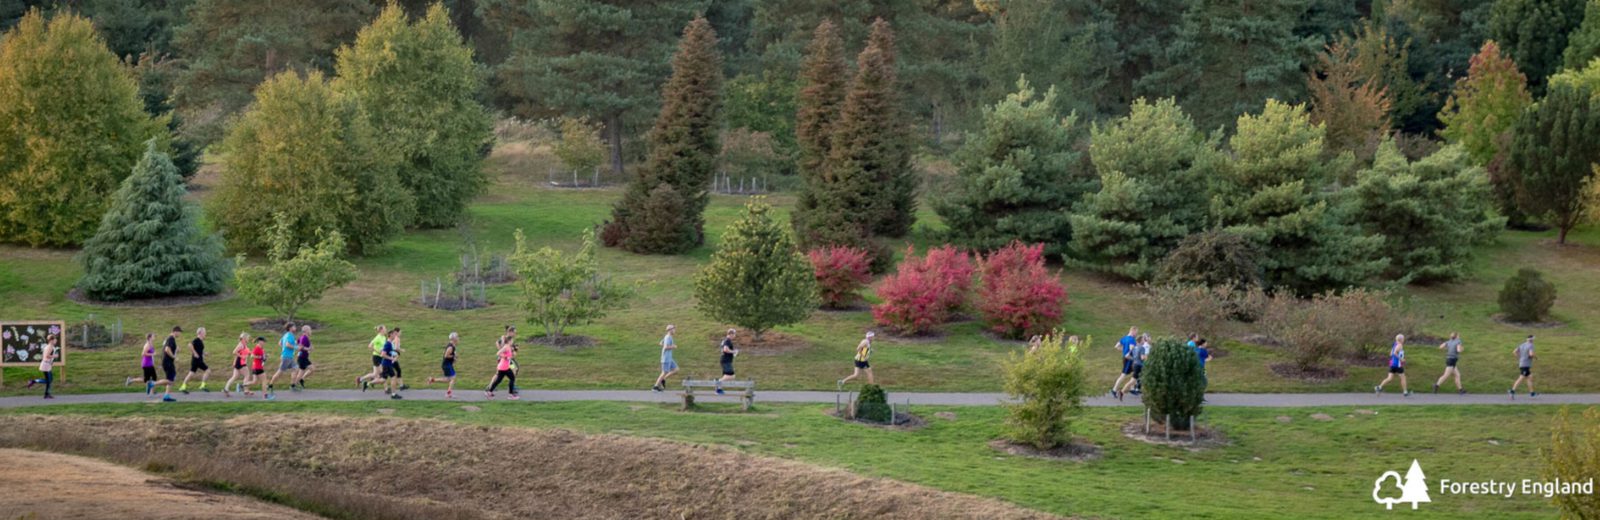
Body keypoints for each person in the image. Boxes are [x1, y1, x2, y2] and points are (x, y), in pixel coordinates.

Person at [266, 323, 297, 397]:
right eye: (294, 327)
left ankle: (292, 385)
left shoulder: (286, 335)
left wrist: (285, 348)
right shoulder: (290, 335)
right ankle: (270, 385)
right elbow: (287, 345)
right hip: (286, 357)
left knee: (295, 369)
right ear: (290, 328)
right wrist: (296, 347)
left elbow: (280, 343)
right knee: (280, 372)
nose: (295, 328)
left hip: (289, 356)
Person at [427, 332, 460, 399]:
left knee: (448, 379)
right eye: (457, 337)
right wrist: (454, 356)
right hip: (446, 365)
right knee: (453, 378)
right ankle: (448, 394)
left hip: (448, 364)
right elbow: (446, 355)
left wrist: (454, 358)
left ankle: (433, 380)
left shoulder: (452, 346)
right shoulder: (450, 347)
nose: (458, 338)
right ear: (453, 339)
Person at [25, 333, 58, 399]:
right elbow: (47, 356)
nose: (56, 341)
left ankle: (46, 394)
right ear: (51, 340)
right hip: (46, 365)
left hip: (46, 364)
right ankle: (34, 382)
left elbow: (44, 356)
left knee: (50, 380)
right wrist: (54, 356)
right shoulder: (50, 347)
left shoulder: (47, 346)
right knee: (48, 380)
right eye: (55, 340)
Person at [179, 327, 210, 394]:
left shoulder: (200, 341)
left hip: (196, 360)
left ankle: (183, 387)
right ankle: (202, 386)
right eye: (204, 332)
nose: (205, 333)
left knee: (191, 374)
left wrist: (204, 353)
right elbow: (189, 345)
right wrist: (195, 353)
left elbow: (199, 350)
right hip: (197, 360)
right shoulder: (197, 340)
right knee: (207, 370)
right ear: (200, 333)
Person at [1110, 327, 1138, 400]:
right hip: (1129, 359)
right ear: (1132, 331)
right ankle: (1114, 390)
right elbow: (1132, 349)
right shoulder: (1132, 340)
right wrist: (1128, 352)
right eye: (1136, 332)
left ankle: (1132, 388)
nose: (1137, 334)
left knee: (1135, 372)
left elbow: (1116, 346)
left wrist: (1123, 350)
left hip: (1126, 358)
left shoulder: (1124, 338)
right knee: (1123, 375)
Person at [358, 325, 387, 391]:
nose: (386, 330)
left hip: (381, 357)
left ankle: (361, 379)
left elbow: (383, 347)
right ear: (381, 330)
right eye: (385, 329)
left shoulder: (384, 337)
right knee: (382, 373)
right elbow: (370, 346)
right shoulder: (377, 337)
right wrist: (378, 351)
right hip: (376, 357)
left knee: (375, 374)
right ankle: (385, 389)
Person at [157, 326, 182, 402]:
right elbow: (167, 349)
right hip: (167, 362)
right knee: (171, 380)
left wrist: (176, 350)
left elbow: (167, 348)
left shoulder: (169, 339)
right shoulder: (171, 338)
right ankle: (152, 383)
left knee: (170, 378)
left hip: (167, 361)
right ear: (175, 331)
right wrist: (174, 357)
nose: (180, 334)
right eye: (179, 332)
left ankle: (166, 396)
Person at [651, 325, 678, 392]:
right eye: (673, 329)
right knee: (664, 372)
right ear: (670, 330)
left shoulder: (667, 337)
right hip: (666, 358)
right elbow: (666, 347)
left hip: (669, 358)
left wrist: (668, 346)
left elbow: (660, 343)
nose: (675, 330)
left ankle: (663, 379)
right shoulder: (668, 337)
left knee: (676, 369)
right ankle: (655, 387)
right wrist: (673, 347)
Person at [223, 333, 250, 397]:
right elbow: (234, 352)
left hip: (238, 363)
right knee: (247, 375)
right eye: (248, 338)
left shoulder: (244, 345)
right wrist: (242, 356)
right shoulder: (241, 345)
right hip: (240, 363)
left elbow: (245, 352)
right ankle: (245, 390)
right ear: (244, 338)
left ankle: (226, 388)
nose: (248, 339)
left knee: (234, 376)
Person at [379, 329, 402, 399]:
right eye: (394, 334)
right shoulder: (388, 343)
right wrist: (391, 358)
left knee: (383, 379)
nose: (395, 336)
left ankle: (368, 383)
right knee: (393, 377)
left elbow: (386, 351)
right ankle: (393, 394)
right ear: (390, 335)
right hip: (386, 364)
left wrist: (396, 354)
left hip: (387, 364)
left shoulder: (389, 343)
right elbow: (382, 354)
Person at [715, 329, 739, 395]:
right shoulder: (728, 340)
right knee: (731, 376)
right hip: (726, 361)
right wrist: (733, 351)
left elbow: (725, 350)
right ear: (731, 334)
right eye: (734, 334)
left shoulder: (725, 340)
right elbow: (725, 349)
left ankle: (719, 389)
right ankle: (718, 382)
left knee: (726, 376)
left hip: (725, 360)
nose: (735, 336)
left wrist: (732, 353)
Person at [292, 325, 314, 391]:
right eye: (310, 330)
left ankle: (299, 381)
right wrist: (308, 349)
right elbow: (301, 347)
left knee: (310, 369)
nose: (311, 331)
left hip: (303, 357)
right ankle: (294, 385)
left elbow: (296, 343)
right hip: (302, 357)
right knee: (304, 371)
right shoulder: (304, 338)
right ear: (306, 331)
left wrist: (309, 348)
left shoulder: (303, 337)